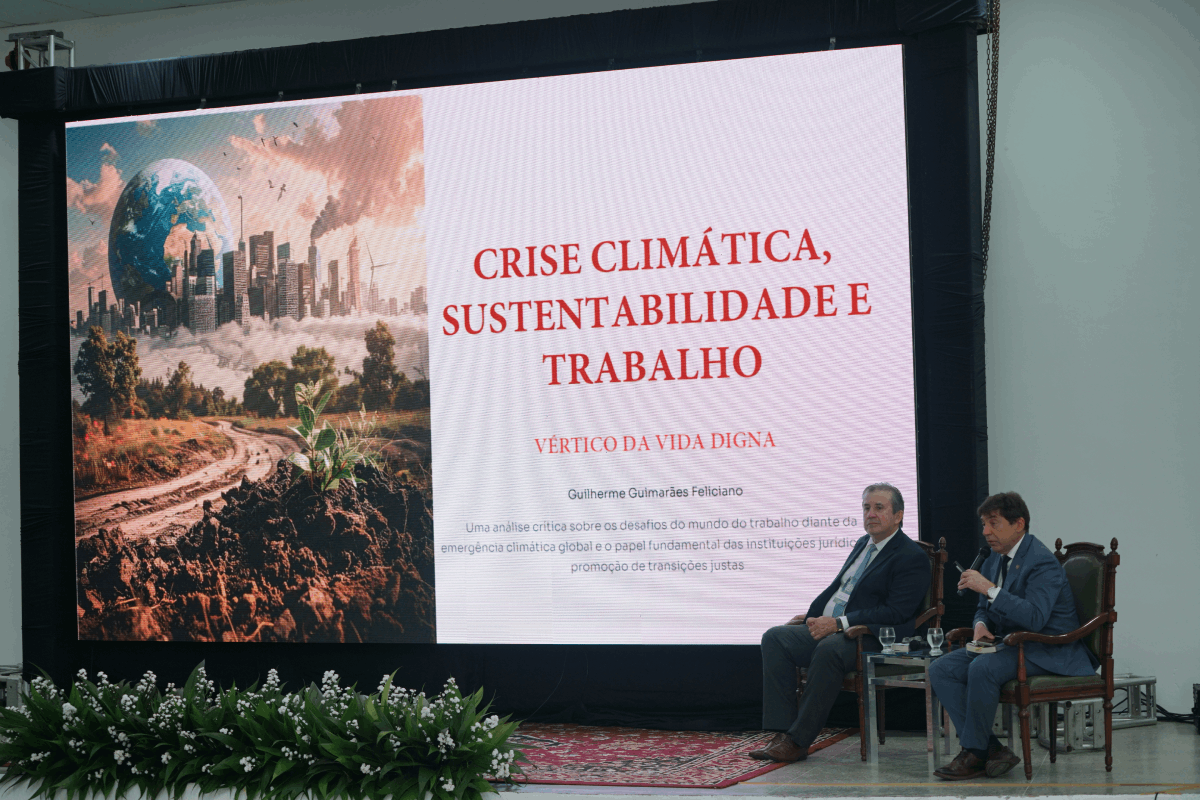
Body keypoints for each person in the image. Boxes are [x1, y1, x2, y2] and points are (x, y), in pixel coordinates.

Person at [750, 483, 931, 762]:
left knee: (829, 649)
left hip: (873, 635)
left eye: (879, 508)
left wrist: (839, 623)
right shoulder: (863, 544)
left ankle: (798, 741)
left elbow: (896, 612)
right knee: (775, 637)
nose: (870, 514)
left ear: (898, 515)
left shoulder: (911, 557)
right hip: (834, 627)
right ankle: (782, 732)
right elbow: (840, 589)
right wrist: (812, 615)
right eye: (866, 507)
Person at [928, 491, 1098, 780]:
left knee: (982, 668)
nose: (985, 532)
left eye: (993, 524)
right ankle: (991, 749)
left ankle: (974, 752)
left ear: (1018, 524)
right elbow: (984, 608)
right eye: (983, 524)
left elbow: (1035, 617)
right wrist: (981, 625)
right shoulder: (996, 559)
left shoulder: (1041, 562)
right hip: (1011, 645)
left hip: (1049, 649)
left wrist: (989, 589)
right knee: (941, 668)